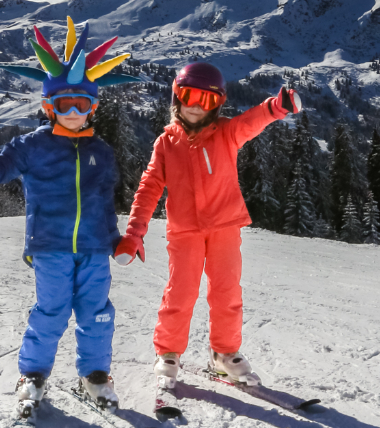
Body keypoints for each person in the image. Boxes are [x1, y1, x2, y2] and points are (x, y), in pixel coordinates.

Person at [0, 17, 141, 409]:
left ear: (92, 107)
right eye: (64, 103)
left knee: (97, 313)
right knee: (51, 311)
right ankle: (33, 374)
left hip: (96, 248)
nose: (73, 110)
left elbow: (104, 200)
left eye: (82, 103)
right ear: (50, 106)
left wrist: (117, 240)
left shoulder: (101, 150)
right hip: (50, 246)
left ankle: (95, 375)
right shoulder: (32, 146)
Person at [115, 62, 301, 389]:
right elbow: (148, 188)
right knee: (181, 292)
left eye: (207, 100)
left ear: (217, 104)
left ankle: (225, 354)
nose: (197, 106)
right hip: (184, 230)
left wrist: (276, 107)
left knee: (227, 291)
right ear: (177, 97)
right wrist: (134, 233)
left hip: (224, 226)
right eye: (189, 96)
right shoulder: (166, 143)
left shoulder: (226, 133)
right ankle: (169, 352)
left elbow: (250, 122)